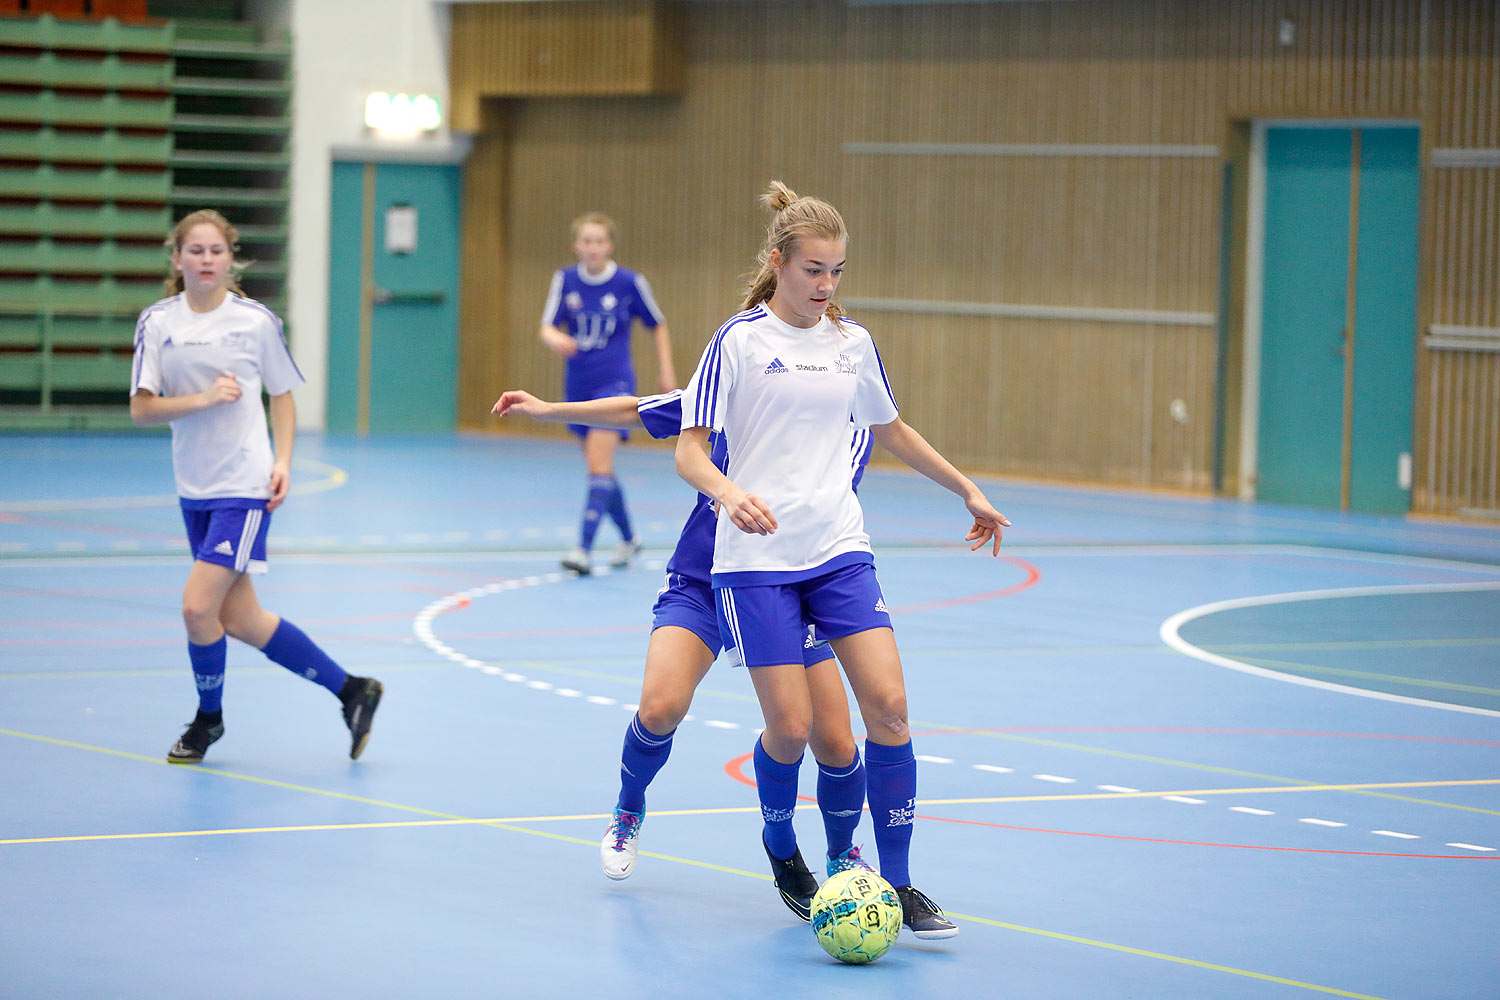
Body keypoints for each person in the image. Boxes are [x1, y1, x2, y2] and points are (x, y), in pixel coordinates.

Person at [674, 181, 1011, 940]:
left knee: (888, 710)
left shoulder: (851, 344)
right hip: (756, 561)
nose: (826, 287)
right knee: (791, 730)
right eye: (813, 271)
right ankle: (778, 844)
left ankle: (897, 883)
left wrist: (967, 489)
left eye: (837, 273)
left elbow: (892, 430)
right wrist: (729, 493)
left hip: (837, 551)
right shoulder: (739, 341)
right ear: (778, 263)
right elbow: (689, 451)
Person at [492, 387, 877, 920]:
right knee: (659, 708)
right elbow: (637, 409)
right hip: (702, 582)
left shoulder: (850, 435)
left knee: (833, 739)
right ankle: (628, 809)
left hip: (781, 591)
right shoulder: (738, 384)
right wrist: (549, 409)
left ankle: (842, 859)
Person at [129, 209, 383, 765]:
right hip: (193, 486)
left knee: (199, 609)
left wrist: (284, 460)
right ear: (177, 259)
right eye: (194, 251)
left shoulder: (254, 321)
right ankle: (353, 690)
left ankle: (208, 721)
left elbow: (282, 392)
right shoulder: (158, 323)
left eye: (215, 251)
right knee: (242, 619)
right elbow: (142, 408)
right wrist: (200, 399)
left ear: (229, 258)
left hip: (243, 484)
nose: (205, 260)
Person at [539, 212, 676, 576]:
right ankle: (630, 538)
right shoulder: (565, 280)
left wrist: (666, 371)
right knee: (601, 470)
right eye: (587, 241)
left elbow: (657, 324)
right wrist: (555, 338)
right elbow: (547, 326)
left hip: (614, 384)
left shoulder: (629, 282)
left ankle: (582, 549)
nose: (593, 248)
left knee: (599, 466)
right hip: (578, 386)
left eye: (600, 241)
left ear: (609, 245)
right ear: (577, 246)